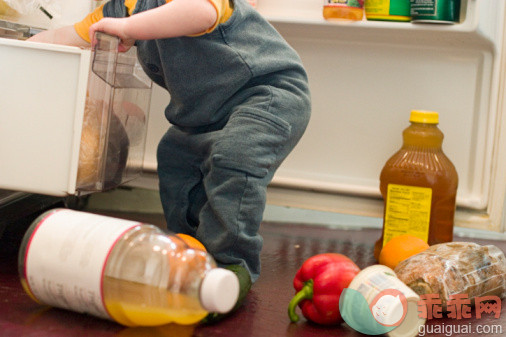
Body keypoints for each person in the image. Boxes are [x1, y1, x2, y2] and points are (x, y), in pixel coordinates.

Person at [29, 0, 311, 286]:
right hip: (203, 114)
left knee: (233, 158)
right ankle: (190, 250)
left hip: (267, 95)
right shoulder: (117, 11)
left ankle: (230, 266)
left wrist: (128, 28)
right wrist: (23, 45)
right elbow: (64, 38)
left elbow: (200, 11)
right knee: (174, 160)